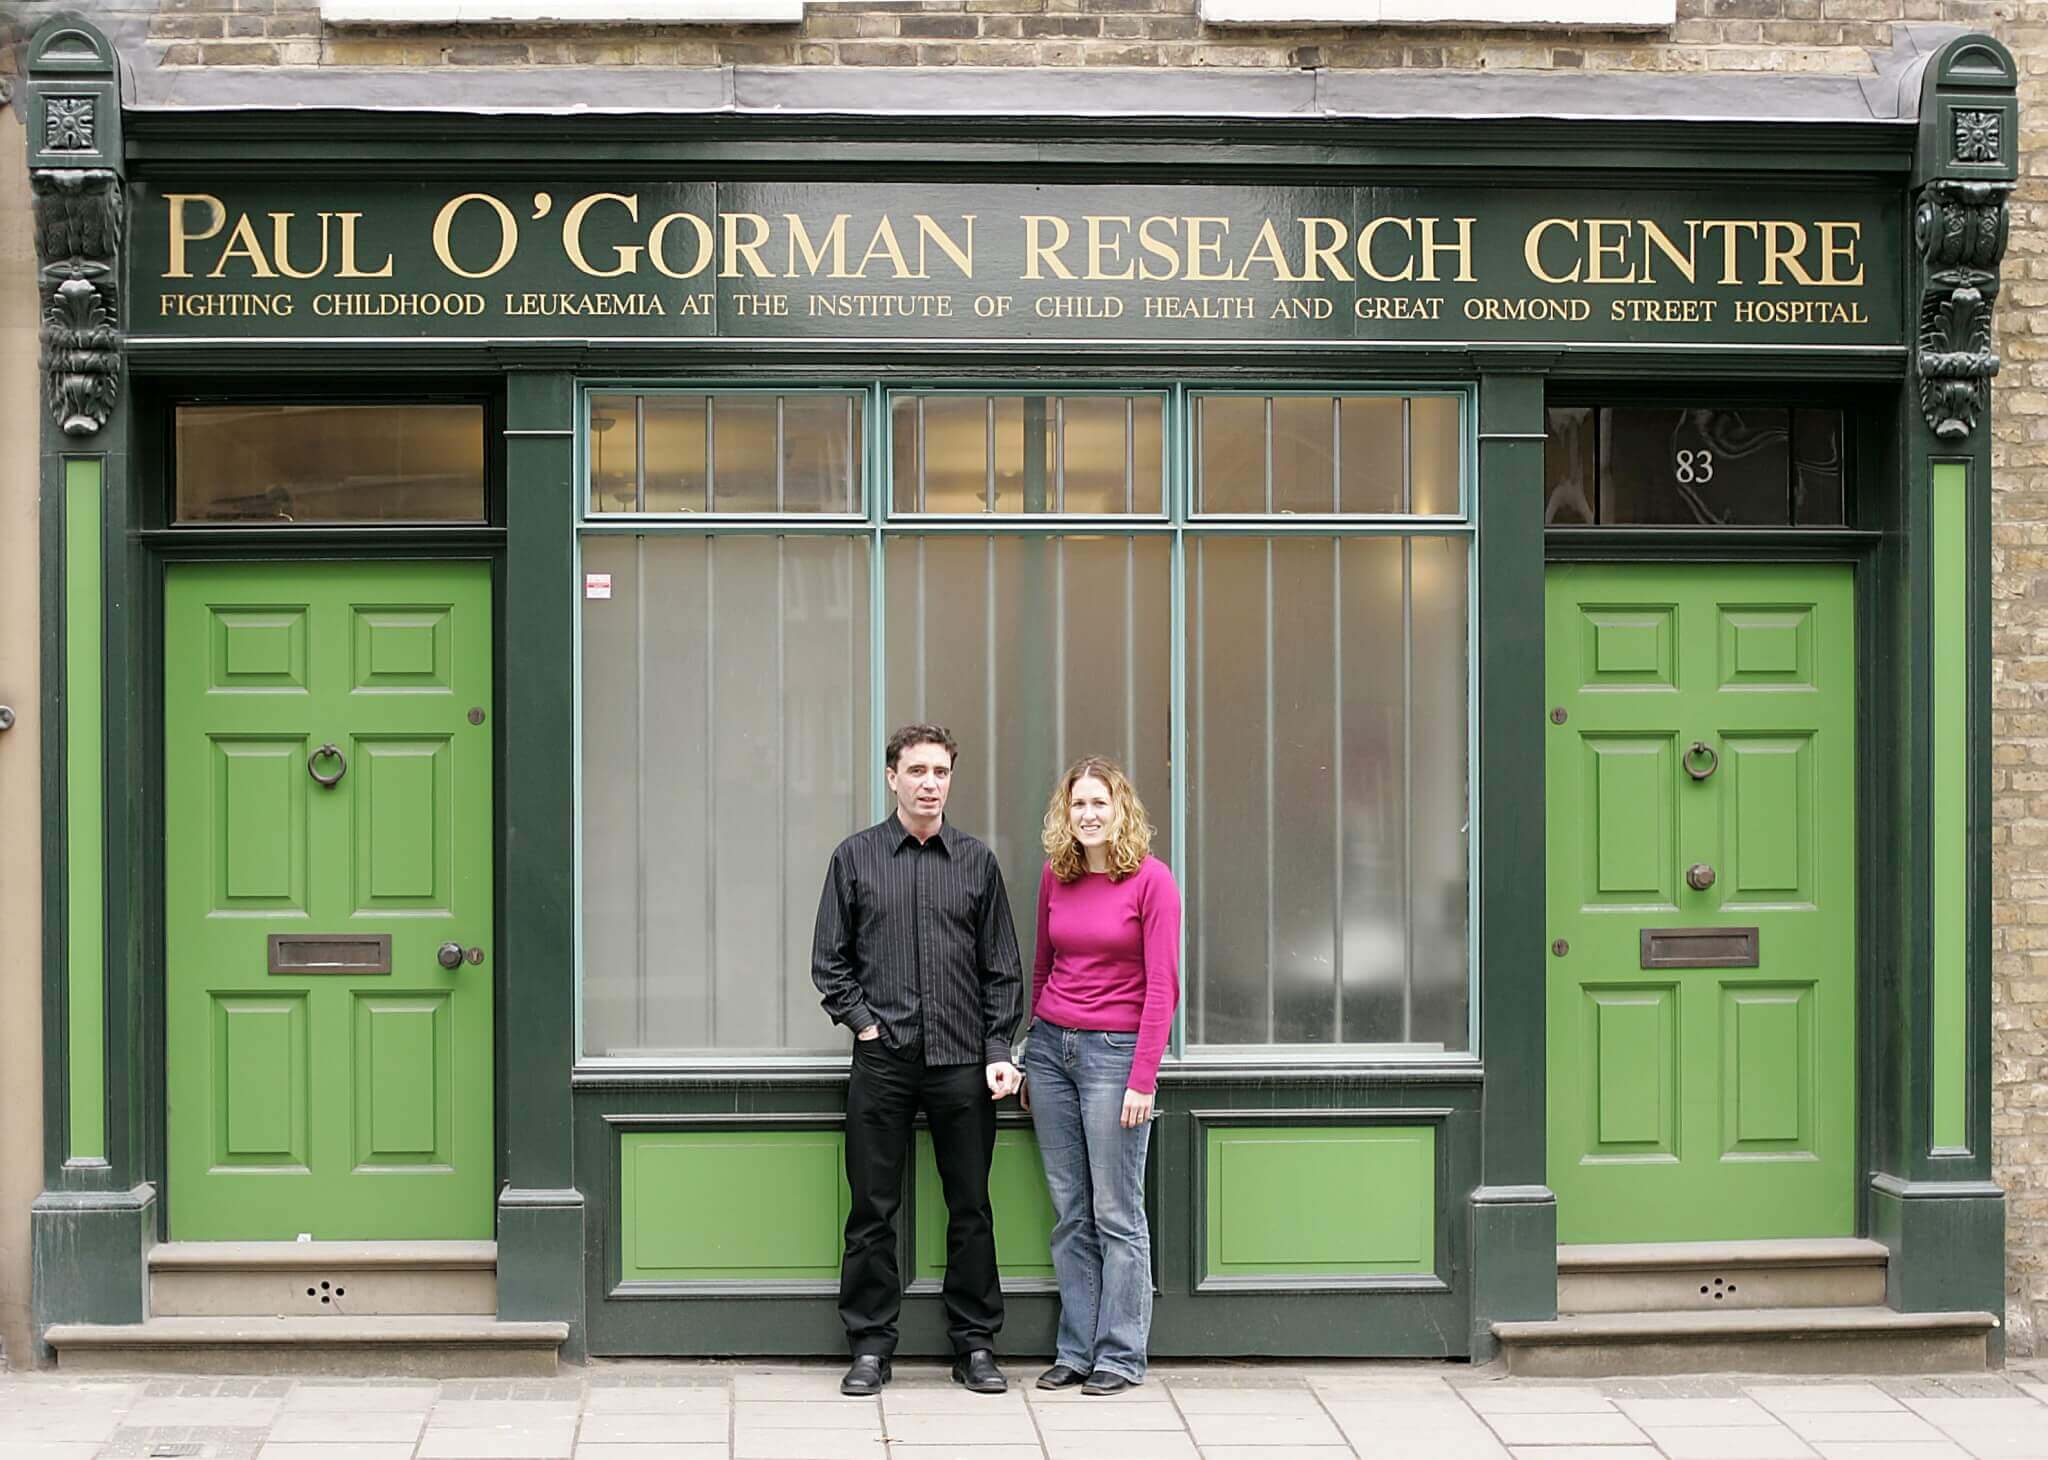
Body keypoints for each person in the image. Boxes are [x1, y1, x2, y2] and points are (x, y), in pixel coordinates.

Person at [811, 723, 1025, 1398]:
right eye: (918, 771)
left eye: (940, 772)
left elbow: (1005, 970)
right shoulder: (855, 858)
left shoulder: (976, 863)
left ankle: (976, 1345)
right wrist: (867, 1029)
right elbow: (830, 963)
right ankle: (871, 1347)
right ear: (892, 777)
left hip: (963, 1063)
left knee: (971, 1207)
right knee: (872, 1209)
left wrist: (997, 1049)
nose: (930, 783)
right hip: (884, 1063)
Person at [1019, 756, 1181, 1396]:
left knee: (1117, 1213)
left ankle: (1119, 1355)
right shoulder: (1055, 877)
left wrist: (1144, 1077)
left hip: (1116, 1056)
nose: (1088, 814)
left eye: (1100, 804)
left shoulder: (1151, 881)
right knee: (1070, 1213)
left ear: (1122, 812)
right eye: (1078, 804)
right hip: (1052, 1051)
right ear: (1066, 813)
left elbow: (1163, 987)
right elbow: (1041, 968)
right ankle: (1075, 1350)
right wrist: (1031, 1051)